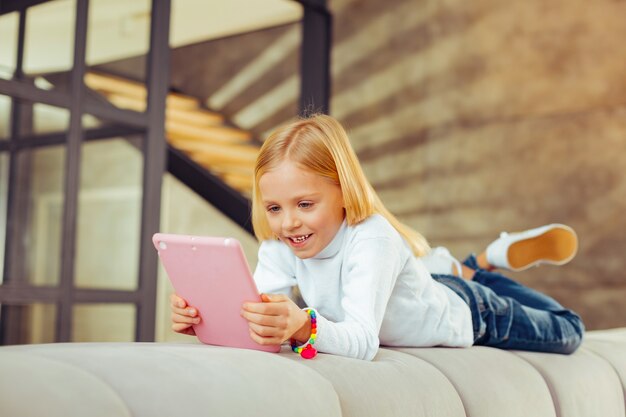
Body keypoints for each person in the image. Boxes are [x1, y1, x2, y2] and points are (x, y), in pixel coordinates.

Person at [170, 114, 584, 361]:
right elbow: (256, 319)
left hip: (469, 311)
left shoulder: (372, 237)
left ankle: (487, 263)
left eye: (305, 205)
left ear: (343, 193)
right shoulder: (280, 244)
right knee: (428, 272)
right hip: (410, 289)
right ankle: (478, 263)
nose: (288, 224)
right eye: (274, 208)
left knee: (569, 330)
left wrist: (301, 327)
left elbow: (363, 341)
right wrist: (209, 319)